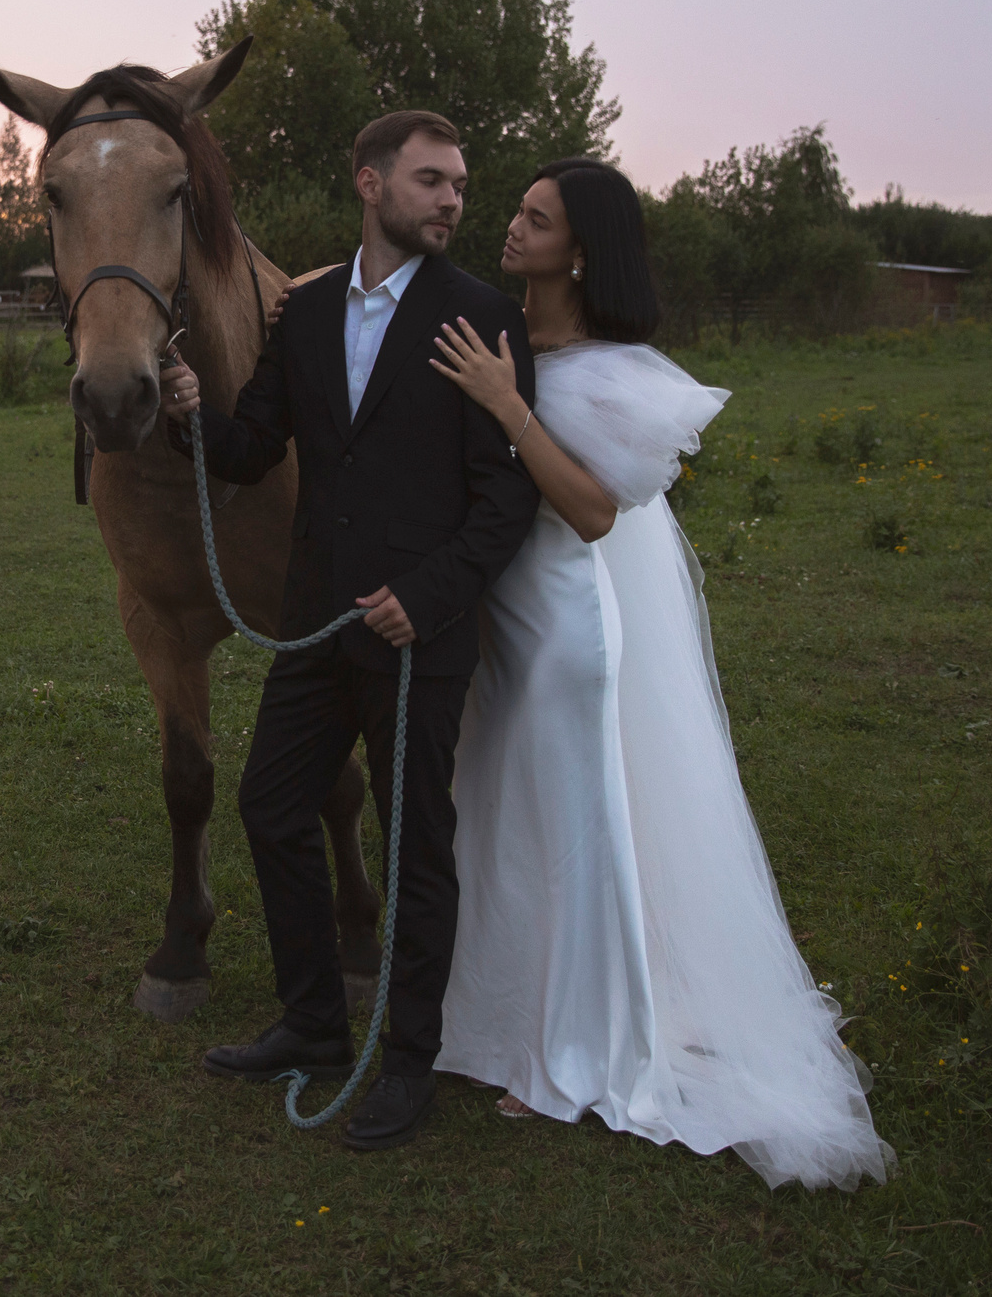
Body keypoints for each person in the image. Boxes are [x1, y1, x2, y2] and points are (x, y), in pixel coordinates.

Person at [425, 157, 895, 1191]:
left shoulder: (614, 373)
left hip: (559, 625)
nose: (509, 227)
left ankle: (573, 1055)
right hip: (495, 621)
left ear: (579, 252)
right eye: (515, 210)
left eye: (535, 220)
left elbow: (591, 511)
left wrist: (511, 409)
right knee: (499, 819)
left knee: (572, 830)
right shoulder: (501, 331)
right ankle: (496, 1023)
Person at [160, 109, 541, 1151]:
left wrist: (431, 596)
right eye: (431, 181)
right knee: (270, 805)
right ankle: (315, 1023)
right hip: (316, 620)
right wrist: (196, 410)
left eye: (458, 184)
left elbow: (504, 502)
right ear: (369, 184)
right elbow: (254, 450)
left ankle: (411, 1057)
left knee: (417, 847)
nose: (452, 200)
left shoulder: (481, 317)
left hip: (421, 635)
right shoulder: (308, 307)